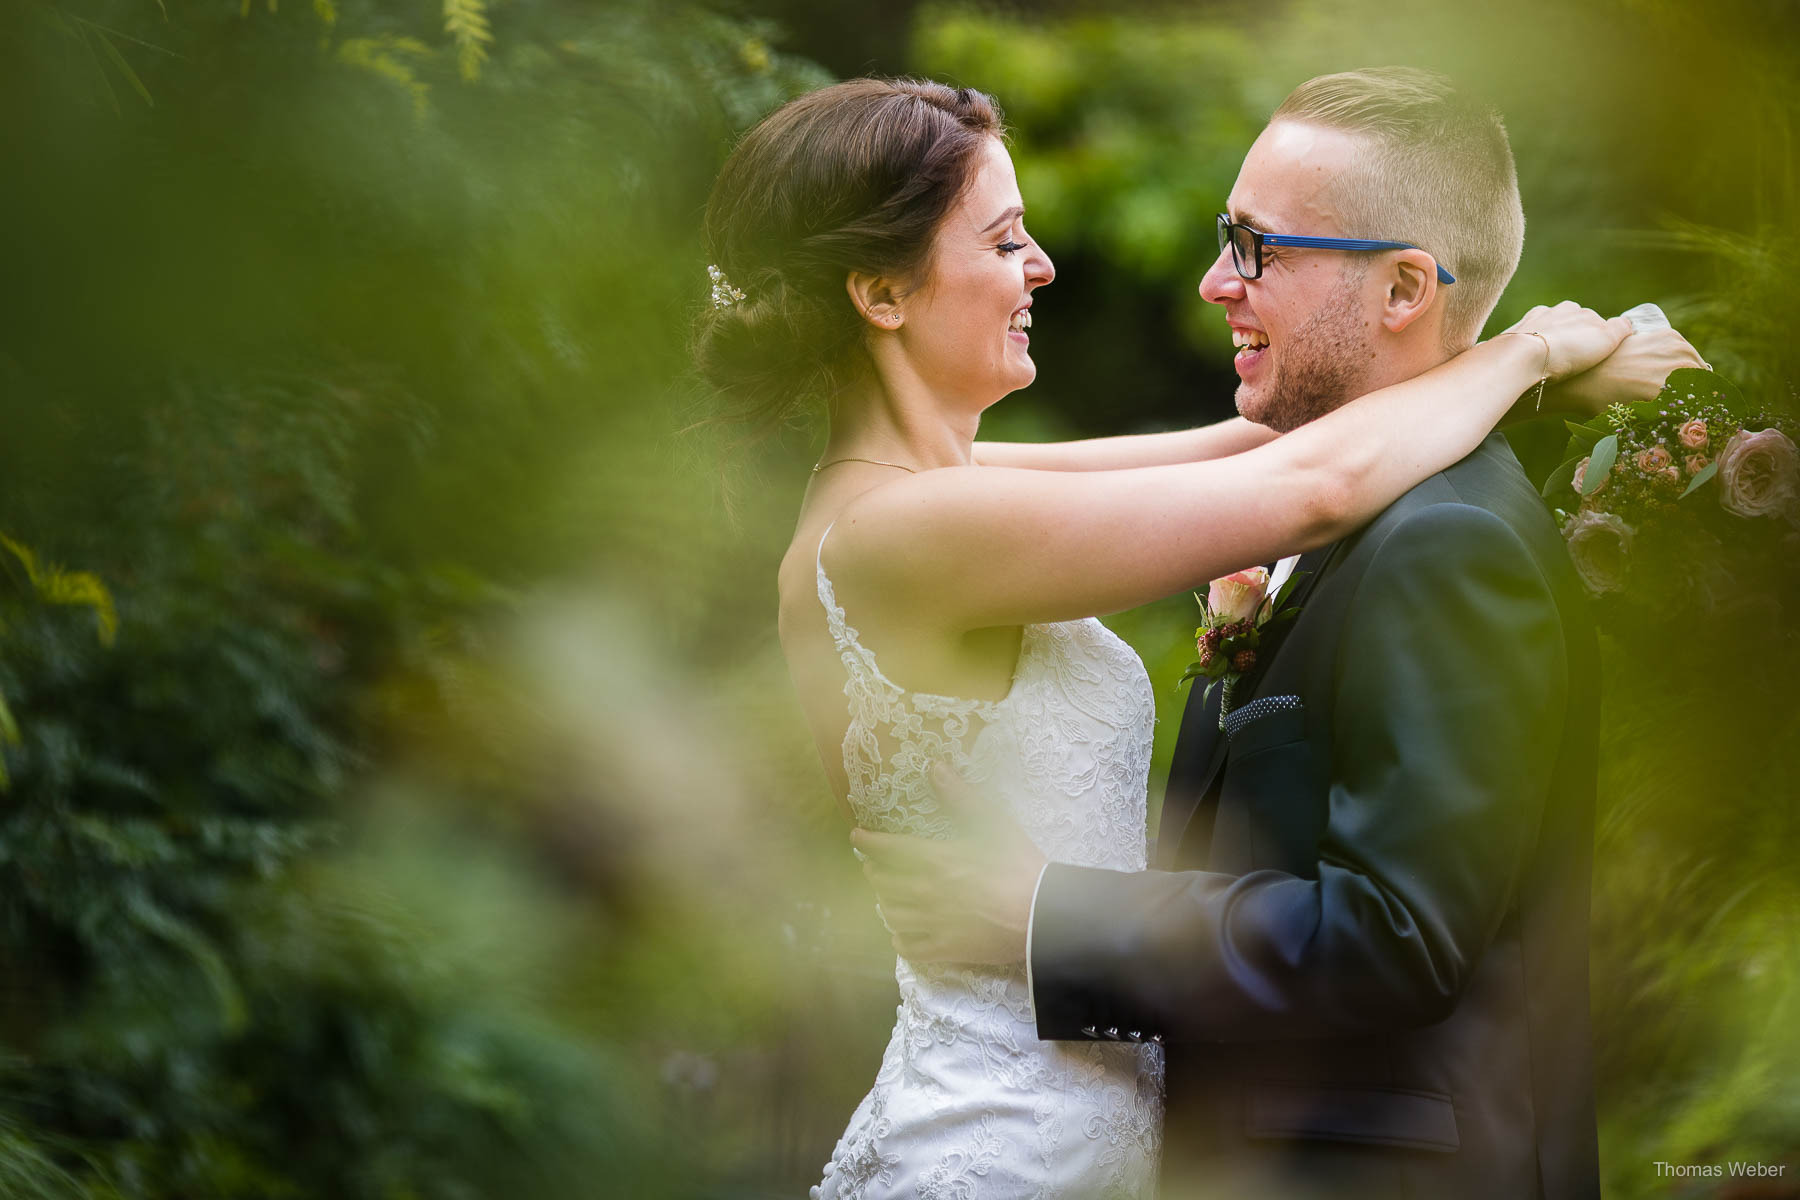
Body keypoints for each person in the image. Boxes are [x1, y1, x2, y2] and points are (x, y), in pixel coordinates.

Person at [697, 74, 1698, 1198]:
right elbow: (1309, 485)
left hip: (1088, 1122)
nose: (1043, 268)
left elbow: (1235, 449)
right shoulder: (910, 529)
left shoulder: (934, 489)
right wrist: (1527, 353)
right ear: (882, 294)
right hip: (1006, 1142)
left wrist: (1496, 378)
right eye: (1006, 239)